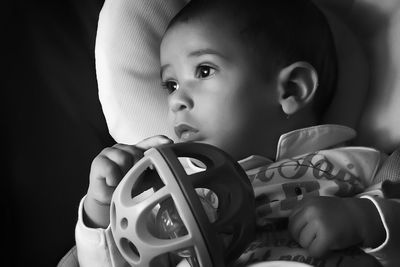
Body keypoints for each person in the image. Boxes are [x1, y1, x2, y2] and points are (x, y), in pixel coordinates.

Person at [75, 0, 400, 266]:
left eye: (203, 70)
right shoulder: (168, 196)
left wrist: (365, 220)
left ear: (291, 89)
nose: (175, 100)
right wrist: (101, 210)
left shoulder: (361, 165)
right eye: (170, 84)